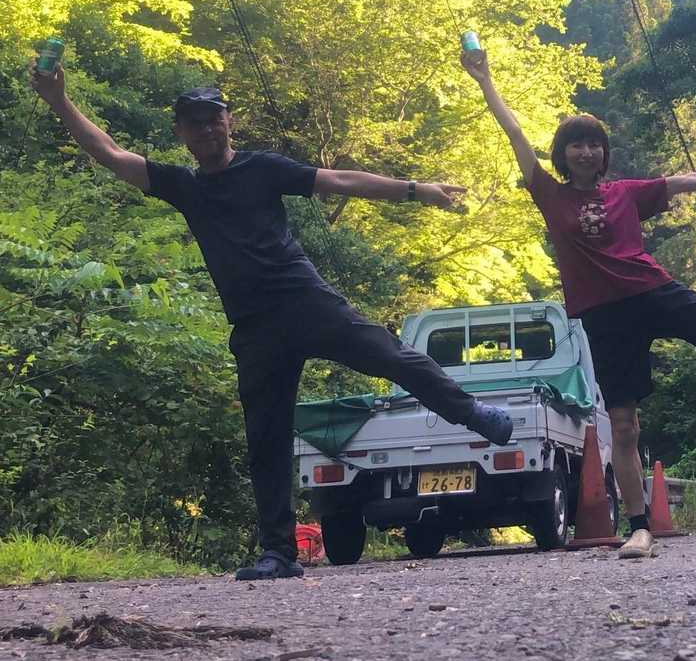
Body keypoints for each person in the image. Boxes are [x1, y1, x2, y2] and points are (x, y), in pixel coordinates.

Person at [28, 62, 514, 580]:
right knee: (266, 438)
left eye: (214, 118)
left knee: (391, 355)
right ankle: (278, 552)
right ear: (181, 133)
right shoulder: (182, 185)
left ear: (229, 122)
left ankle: (471, 413)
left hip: (306, 302)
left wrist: (415, 189)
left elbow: (339, 180)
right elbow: (110, 153)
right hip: (255, 329)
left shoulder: (263, 168)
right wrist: (59, 100)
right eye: (195, 123)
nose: (206, 129)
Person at [462, 46, 696, 559]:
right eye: (576, 144)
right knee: (624, 426)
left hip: (653, 291)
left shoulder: (626, 192)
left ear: (604, 153)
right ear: (563, 153)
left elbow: (684, 181)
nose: (586, 152)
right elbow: (514, 132)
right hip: (604, 317)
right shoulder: (549, 194)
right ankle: (640, 527)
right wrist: (485, 80)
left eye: (594, 144)